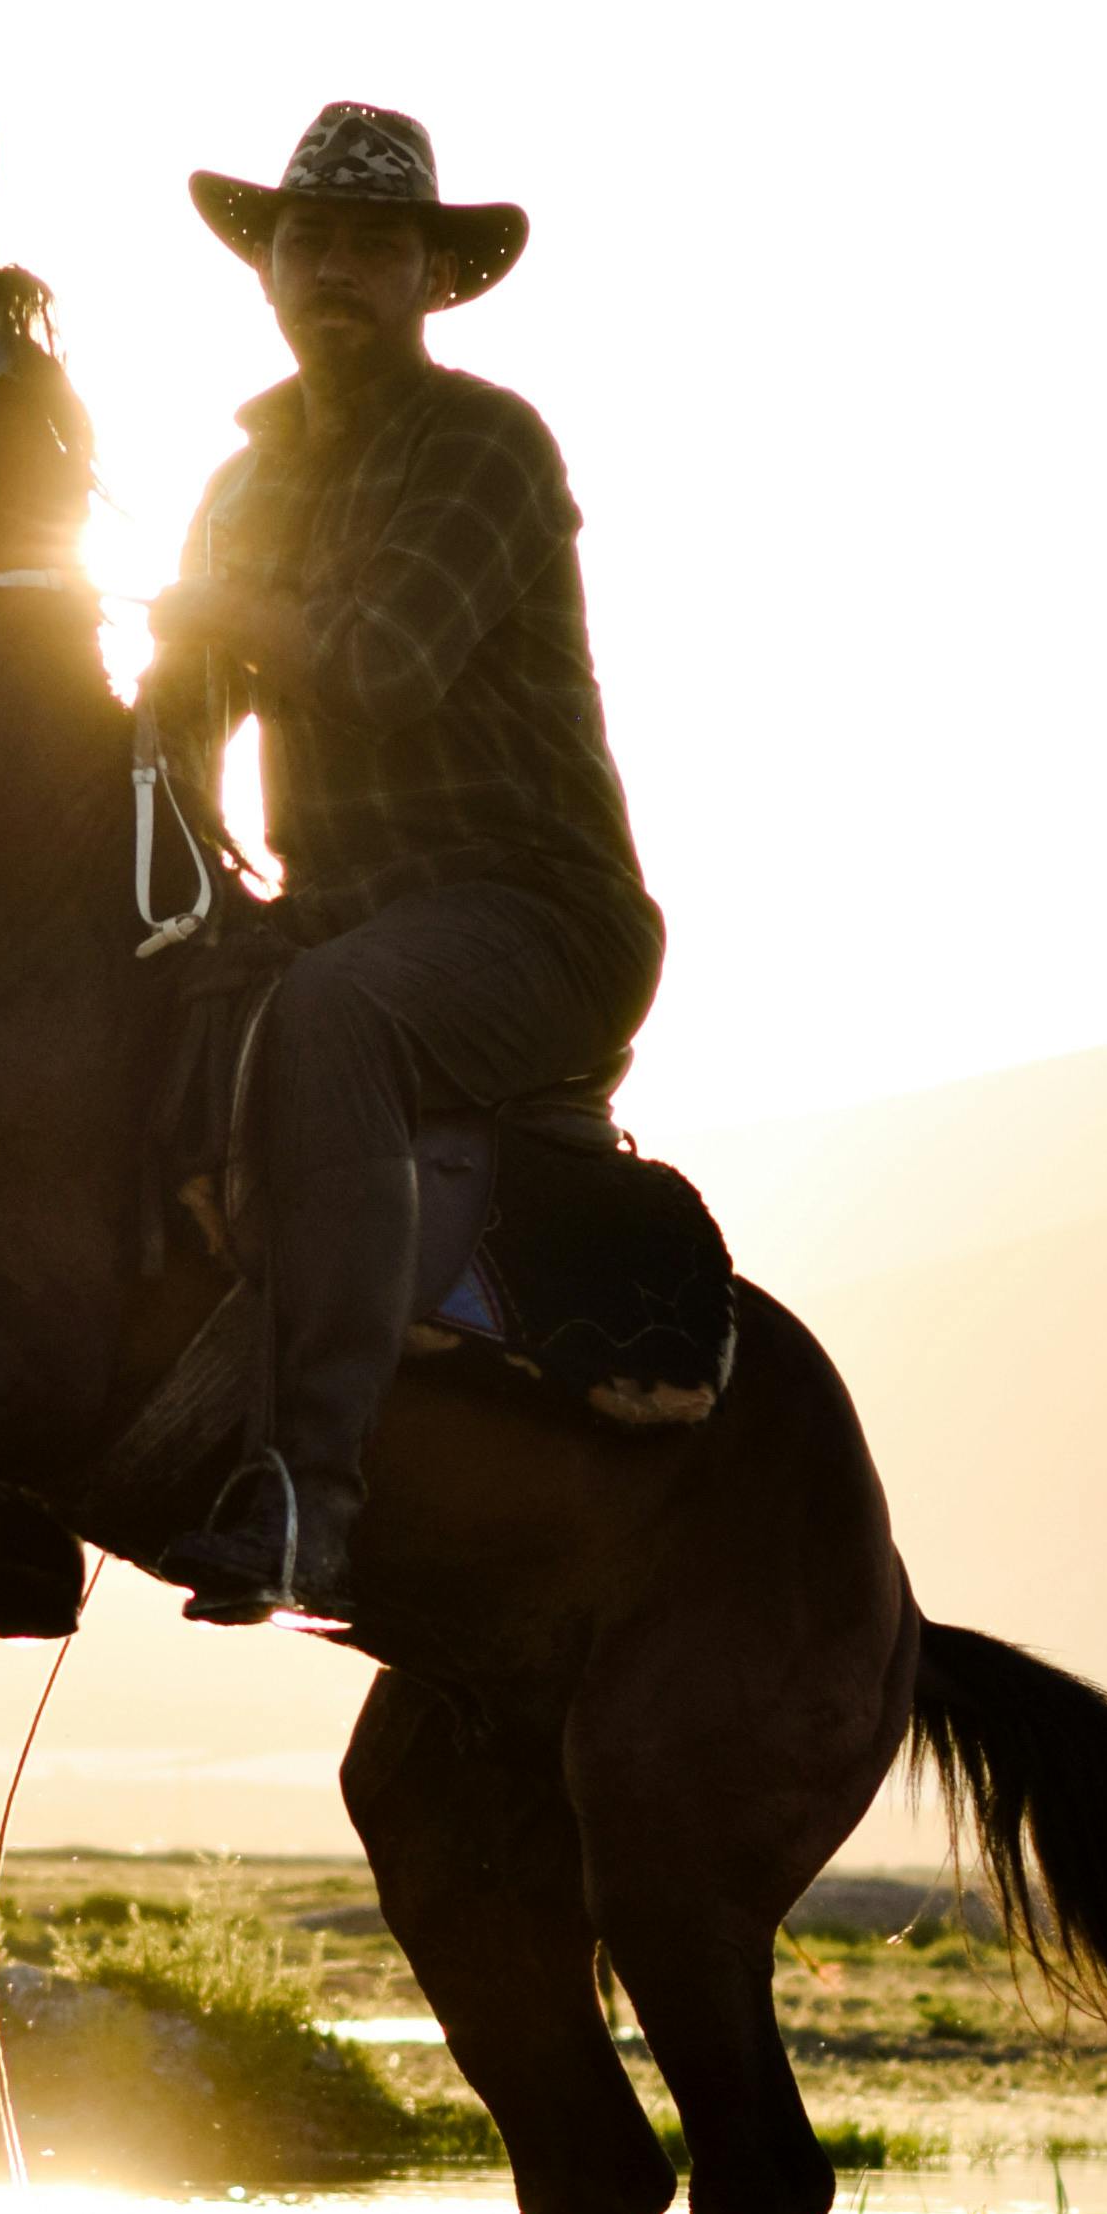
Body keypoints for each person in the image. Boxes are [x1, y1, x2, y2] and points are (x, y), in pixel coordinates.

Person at [144, 103, 663, 1622]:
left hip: (536, 915)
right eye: (310, 239)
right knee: (105, 1014)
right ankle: (27, 1493)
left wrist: (212, 616)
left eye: (377, 244)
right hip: (338, 913)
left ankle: (312, 1490)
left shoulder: (487, 444)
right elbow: (184, 706)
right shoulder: (242, 483)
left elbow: (382, 665)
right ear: (268, 264)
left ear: (433, 276)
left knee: (332, 1020)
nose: (337, 270)